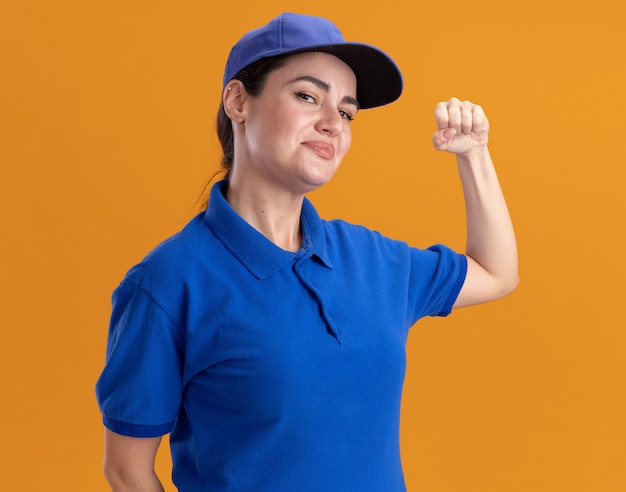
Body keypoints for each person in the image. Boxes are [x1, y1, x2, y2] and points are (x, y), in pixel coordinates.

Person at [95, 12, 518, 492]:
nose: (332, 124)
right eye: (307, 96)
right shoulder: (167, 285)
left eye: (346, 112)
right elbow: (126, 472)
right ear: (237, 101)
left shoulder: (373, 260)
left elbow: (496, 272)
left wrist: (474, 154)